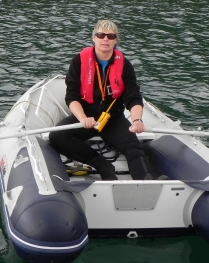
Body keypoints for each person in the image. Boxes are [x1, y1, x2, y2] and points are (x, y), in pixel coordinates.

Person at [49, 19, 154, 181]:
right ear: (94, 38)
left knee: (133, 147)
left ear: (116, 40)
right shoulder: (79, 61)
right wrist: (83, 118)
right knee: (57, 137)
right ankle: (102, 165)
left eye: (110, 36)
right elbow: (71, 96)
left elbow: (133, 97)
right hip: (87, 118)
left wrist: (137, 120)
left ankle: (147, 181)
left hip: (113, 119)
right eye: (101, 35)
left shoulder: (124, 65)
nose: (105, 39)